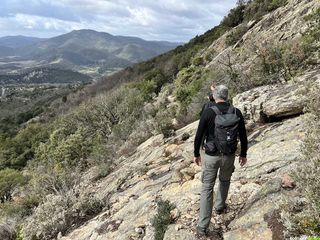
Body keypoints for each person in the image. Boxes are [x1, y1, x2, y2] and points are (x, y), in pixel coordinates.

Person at [193, 84, 248, 236]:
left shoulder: (208, 112)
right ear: (227, 96)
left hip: (211, 156)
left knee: (207, 188)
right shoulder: (236, 111)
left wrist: (196, 153)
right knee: (224, 181)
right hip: (229, 156)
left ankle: (203, 226)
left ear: (215, 96)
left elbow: (199, 135)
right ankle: (219, 207)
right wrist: (243, 154)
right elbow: (243, 136)